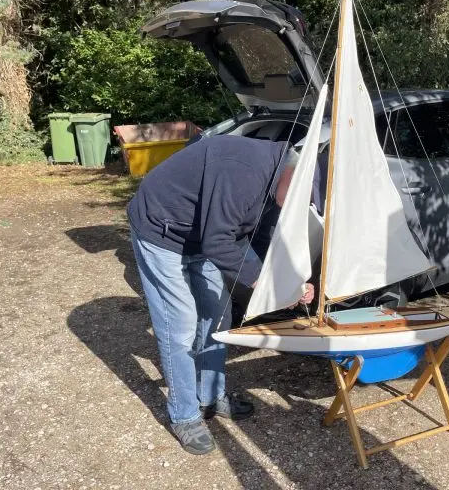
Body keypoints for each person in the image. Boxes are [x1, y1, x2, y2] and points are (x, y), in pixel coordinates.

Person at [127, 135, 320, 454]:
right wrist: (263, 283)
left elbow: (262, 240)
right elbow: (218, 242)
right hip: (161, 230)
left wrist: (291, 282)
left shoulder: (280, 182)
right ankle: (185, 415)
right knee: (180, 325)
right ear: (294, 176)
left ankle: (210, 396)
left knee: (219, 316)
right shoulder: (244, 171)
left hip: (203, 235)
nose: (300, 207)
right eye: (302, 199)